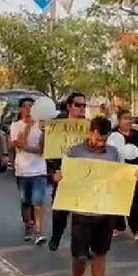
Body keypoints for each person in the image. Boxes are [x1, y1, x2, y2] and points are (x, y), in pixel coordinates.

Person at [60, 117, 124, 276]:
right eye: (97, 139)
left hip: (105, 210)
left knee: (100, 252)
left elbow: (120, 177)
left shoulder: (113, 153)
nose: (100, 143)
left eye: (104, 140)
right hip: (82, 210)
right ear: (90, 133)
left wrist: (131, 176)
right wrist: (60, 177)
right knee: (79, 255)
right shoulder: (75, 151)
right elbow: (66, 176)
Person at [48, 92, 87, 251]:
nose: (82, 108)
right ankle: (56, 235)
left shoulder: (90, 126)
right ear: (70, 106)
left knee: (84, 214)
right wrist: (54, 171)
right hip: (63, 173)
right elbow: (51, 151)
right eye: (78, 105)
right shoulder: (58, 126)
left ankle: (84, 246)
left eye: (84, 105)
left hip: (84, 175)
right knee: (60, 212)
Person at [10, 97, 48, 244]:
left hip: (39, 170)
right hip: (23, 170)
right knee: (25, 201)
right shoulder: (16, 126)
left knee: (38, 201)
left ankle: (39, 232)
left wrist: (44, 132)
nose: (28, 109)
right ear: (20, 109)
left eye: (31, 106)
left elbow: (43, 148)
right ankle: (28, 226)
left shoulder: (41, 126)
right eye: (25, 106)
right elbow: (20, 144)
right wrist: (28, 127)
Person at [113, 110, 138, 243]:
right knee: (119, 200)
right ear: (119, 120)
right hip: (117, 172)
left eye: (130, 118)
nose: (128, 121)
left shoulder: (136, 135)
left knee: (133, 199)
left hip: (134, 172)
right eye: (125, 118)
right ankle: (119, 225)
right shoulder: (113, 135)